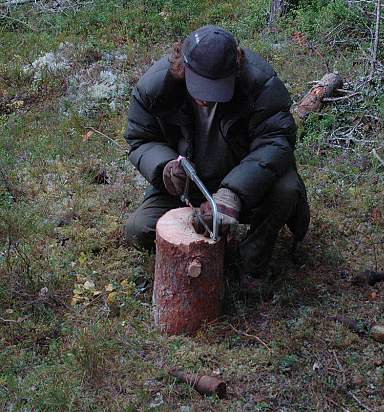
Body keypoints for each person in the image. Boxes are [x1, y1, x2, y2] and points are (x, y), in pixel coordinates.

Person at [124, 25, 309, 292]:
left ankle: (250, 264)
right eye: (200, 86)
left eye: (217, 87)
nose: (206, 97)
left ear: (235, 70)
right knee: (138, 230)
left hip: (246, 183)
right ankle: (207, 250)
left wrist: (233, 192)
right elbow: (140, 138)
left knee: (287, 189)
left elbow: (275, 142)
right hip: (189, 186)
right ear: (182, 67)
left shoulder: (260, 84)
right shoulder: (155, 88)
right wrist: (165, 167)